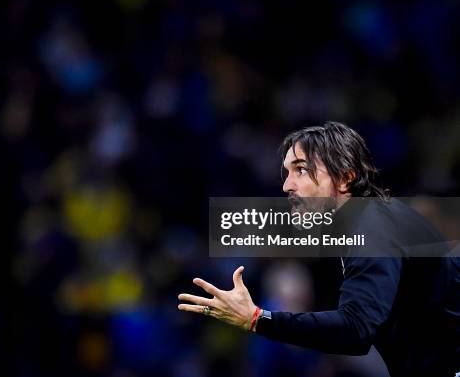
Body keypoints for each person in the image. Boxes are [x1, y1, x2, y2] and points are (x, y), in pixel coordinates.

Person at [178, 121, 459, 377]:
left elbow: (356, 329)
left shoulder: (374, 227)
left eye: (301, 170)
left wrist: (258, 319)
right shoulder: (370, 222)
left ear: (345, 178)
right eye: (286, 173)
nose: (287, 185)